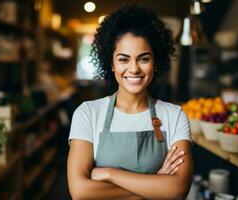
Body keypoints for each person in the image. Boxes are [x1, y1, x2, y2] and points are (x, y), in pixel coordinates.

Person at [68, 4, 193, 200]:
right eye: (123, 59)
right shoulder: (87, 113)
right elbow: (80, 192)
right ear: (111, 63)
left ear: (156, 62)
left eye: (143, 59)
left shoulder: (174, 115)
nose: (134, 69)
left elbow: (177, 189)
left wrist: (109, 173)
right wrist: (155, 184)